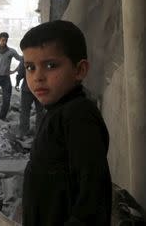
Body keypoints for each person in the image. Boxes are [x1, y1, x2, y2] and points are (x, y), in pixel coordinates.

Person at [21, 20, 111, 225]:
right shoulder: (57, 111)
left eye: (50, 65)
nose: (38, 77)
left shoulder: (78, 115)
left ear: (79, 70)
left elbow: (92, 194)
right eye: (30, 67)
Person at [14, 57, 44, 137]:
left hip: (27, 88)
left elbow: (20, 72)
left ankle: (23, 132)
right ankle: (39, 133)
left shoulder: (27, 56)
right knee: (40, 112)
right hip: (41, 89)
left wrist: (17, 83)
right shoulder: (44, 56)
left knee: (25, 111)